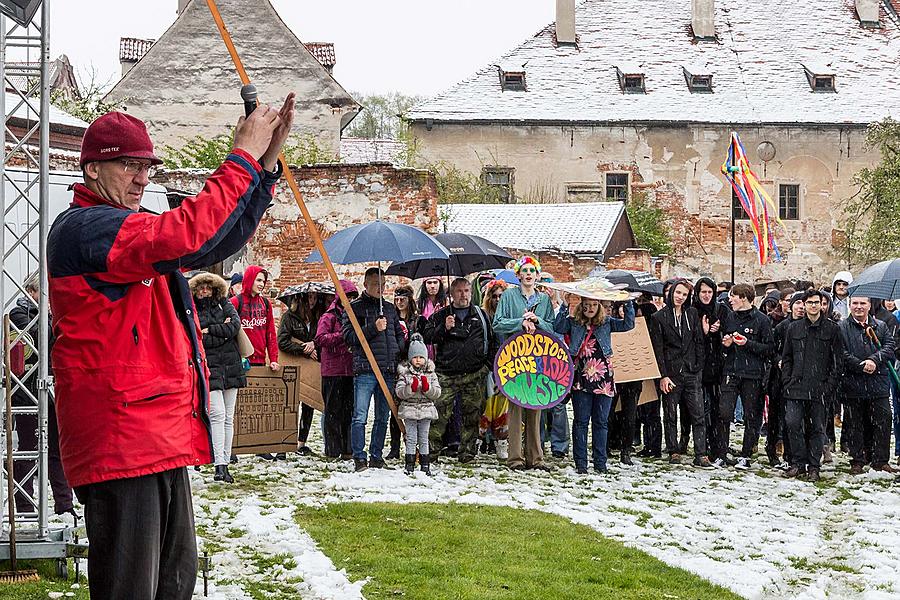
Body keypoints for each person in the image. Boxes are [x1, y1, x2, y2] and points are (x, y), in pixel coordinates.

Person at [47, 97, 294, 599]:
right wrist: (243, 156)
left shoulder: (117, 228)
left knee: (173, 584)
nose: (141, 178)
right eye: (129, 165)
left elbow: (210, 243)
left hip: (151, 435)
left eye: (146, 167)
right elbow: (186, 234)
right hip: (123, 440)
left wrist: (264, 167)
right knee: (132, 589)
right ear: (92, 168)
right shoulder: (85, 229)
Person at [8, 278, 74, 517]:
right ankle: (24, 504)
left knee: (58, 447)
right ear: (32, 291)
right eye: (44, 292)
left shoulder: (53, 312)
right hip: (27, 392)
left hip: (54, 388)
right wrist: (53, 316)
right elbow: (41, 337)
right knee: (28, 447)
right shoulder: (18, 313)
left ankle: (64, 504)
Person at [554, 295, 635, 474]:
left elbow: (628, 325)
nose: (590, 308)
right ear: (581, 306)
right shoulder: (574, 322)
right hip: (581, 378)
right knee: (581, 422)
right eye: (586, 305)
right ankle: (581, 463)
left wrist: (627, 302)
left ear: (599, 306)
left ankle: (600, 462)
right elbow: (558, 326)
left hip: (603, 378)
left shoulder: (607, 322)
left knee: (601, 422)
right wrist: (565, 305)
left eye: (594, 305)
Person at [421, 277, 495, 463]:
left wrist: (487, 366)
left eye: (466, 291)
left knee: (472, 415)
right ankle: (431, 452)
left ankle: (467, 453)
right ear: (451, 294)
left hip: (474, 373)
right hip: (446, 374)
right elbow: (427, 337)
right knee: (438, 415)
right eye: (459, 291)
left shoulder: (481, 314)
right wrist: (444, 328)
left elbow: (492, 341)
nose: (463, 295)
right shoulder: (441, 315)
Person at [492, 256, 556, 471]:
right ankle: (515, 459)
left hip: (538, 359)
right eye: (525, 270)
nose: (528, 274)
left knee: (536, 407)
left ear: (537, 275)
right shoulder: (509, 296)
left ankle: (536, 458)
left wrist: (538, 321)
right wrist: (520, 322)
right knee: (516, 407)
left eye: (532, 271)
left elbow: (552, 328)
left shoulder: (544, 300)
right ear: (518, 275)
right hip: (515, 358)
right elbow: (497, 324)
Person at [342, 267, 406, 472]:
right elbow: (349, 338)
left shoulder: (388, 308)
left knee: (383, 416)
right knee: (360, 415)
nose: (380, 288)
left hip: (387, 369)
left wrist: (397, 351)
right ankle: (359, 457)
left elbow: (398, 333)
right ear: (366, 284)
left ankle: (376, 455)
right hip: (365, 369)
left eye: (383, 284)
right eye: (376, 284)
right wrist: (373, 328)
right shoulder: (354, 308)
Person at [649, 279, 713, 468]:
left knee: (698, 414)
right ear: (671, 293)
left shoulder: (692, 314)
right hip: (671, 373)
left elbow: (698, 341)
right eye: (678, 293)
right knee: (670, 414)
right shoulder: (659, 317)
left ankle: (701, 453)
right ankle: (673, 450)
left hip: (691, 371)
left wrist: (698, 365)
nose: (680, 297)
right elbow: (658, 348)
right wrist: (663, 375)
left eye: (684, 295)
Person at [781, 290, 842, 481]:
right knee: (792, 423)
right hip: (796, 386)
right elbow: (787, 357)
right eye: (810, 302)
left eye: (817, 302)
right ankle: (798, 463)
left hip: (820, 388)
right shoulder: (794, 328)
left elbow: (837, 361)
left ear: (822, 305)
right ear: (804, 305)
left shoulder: (832, 329)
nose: (814, 306)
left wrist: (829, 385)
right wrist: (787, 379)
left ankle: (814, 466)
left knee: (817, 428)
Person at [190, 272, 246, 483]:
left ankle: (224, 463)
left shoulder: (224, 303)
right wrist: (221, 333)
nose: (205, 290)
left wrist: (211, 330)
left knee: (228, 417)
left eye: (208, 286)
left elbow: (234, 326)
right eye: (201, 287)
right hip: (209, 366)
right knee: (217, 414)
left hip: (230, 364)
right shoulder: (192, 308)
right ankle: (217, 464)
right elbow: (197, 337)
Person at [716, 283, 774, 470]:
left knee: (751, 416)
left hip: (752, 374)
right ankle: (722, 453)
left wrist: (747, 343)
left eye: (733, 296)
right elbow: (724, 341)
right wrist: (726, 344)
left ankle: (746, 455)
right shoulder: (728, 317)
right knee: (724, 413)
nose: (730, 300)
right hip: (731, 371)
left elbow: (769, 349)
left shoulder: (762, 320)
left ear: (744, 298)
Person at [839, 296, 896, 474]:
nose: (859, 307)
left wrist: (874, 360)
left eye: (863, 303)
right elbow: (841, 352)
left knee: (883, 421)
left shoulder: (881, 326)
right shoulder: (841, 328)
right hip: (853, 383)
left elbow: (889, 347)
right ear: (849, 306)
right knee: (855, 423)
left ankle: (880, 460)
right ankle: (858, 459)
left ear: (869, 305)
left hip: (878, 383)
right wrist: (860, 365)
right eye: (855, 303)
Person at [233, 264, 282, 459]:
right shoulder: (235, 302)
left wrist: (274, 359)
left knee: (259, 407)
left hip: (260, 361)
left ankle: (261, 446)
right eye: (259, 280)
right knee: (237, 407)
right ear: (249, 279)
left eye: (264, 281)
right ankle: (233, 448)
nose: (262, 284)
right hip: (240, 361)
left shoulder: (266, 304)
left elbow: (271, 333)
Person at [278, 286, 328, 456]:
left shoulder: (319, 318)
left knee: (309, 405)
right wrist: (303, 348)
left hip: (311, 368)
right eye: (309, 298)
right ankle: (284, 443)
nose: (312, 301)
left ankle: (301, 443)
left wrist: (314, 344)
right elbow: (282, 342)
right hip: (293, 365)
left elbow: (322, 340)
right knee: (291, 404)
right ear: (300, 299)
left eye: (314, 297)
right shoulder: (289, 318)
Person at [316, 280, 359, 460]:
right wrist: (343, 336)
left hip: (350, 369)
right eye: (347, 296)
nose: (350, 300)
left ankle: (347, 450)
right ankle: (333, 450)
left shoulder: (356, 315)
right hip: (333, 371)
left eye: (352, 296)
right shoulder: (329, 316)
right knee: (333, 412)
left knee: (349, 412)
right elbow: (321, 339)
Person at [395, 333, 441, 475]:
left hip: (426, 409)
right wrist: (411, 389)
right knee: (411, 437)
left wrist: (428, 389)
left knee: (424, 437)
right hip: (410, 408)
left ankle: (425, 463)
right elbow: (399, 392)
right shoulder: (405, 373)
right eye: (415, 357)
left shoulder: (431, 374)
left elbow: (437, 393)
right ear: (410, 358)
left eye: (421, 357)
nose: (418, 360)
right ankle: (409, 464)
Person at [768, 292, 805, 467]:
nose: (801, 307)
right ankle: (772, 449)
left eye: (803, 303)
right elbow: (772, 350)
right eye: (797, 303)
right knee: (777, 417)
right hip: (780, 379)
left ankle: (792, 455)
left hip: (802, 380)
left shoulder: (809, 326)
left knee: (795, 420)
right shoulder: (782, 327)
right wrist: (779, 361)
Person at [693, 277, 727, 464]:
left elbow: (729, 333)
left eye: (709, 292)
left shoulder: (721, 310)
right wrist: (704, 332)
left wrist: (719, 330)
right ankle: (702, 447)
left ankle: (718, 447)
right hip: (699, 367)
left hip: (718, 366)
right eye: (703, 292)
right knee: (701, 411)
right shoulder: (692, 311)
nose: (706, 295)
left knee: (718, 411)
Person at [479, 279, 510, 460]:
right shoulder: (484, 316)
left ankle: (501, 442)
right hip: (489, 365)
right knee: (486, 407)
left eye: (501, 296)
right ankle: (481, 441)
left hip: (506, 367)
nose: (498, 299)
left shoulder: (509, 317)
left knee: (502, 408)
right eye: (495, 296)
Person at [388, 284, 418, 459]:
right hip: (395, 365)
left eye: (403, 299)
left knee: (412, 409)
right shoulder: (391, 319)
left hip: (410, 365)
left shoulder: (416, 320)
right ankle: (394, 446)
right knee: (395, 409)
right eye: (397, 299)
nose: (399, 303)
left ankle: (412, 445)